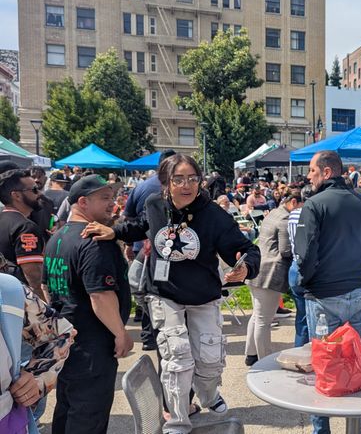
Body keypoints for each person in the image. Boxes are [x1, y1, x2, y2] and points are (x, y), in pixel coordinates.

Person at [84, 154, 260, 434]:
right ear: (166, 183)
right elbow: (139, 226)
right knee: (176, 357)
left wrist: (245, 267)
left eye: (193, 178)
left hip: (203, 295)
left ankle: (209, 393)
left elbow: (247, 249)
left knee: (210, 358)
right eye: (179, 179)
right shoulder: (155, 205)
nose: (187, 185)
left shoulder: (213, 214)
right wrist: (114, 231)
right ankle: (177, 420)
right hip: (164, 293)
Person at [294, 150, 361, 434]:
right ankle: (355, 426)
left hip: (324, 296)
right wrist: (357, 268)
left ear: (326, 172)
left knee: (323, 368)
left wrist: (308, 279)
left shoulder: (314, 205)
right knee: (353, 362)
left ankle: (321, 430)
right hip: (355, 293)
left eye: (312, 171)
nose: (308, 176)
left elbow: (304, 254)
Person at [43, 175, 132, 434]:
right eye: (104, 198)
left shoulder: (56, 238)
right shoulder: (93, 242)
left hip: (67, 340)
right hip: (92, 346)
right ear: (82, 202)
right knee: (87, 416)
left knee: (67, 408)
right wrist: (120, 333)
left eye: (113, 197)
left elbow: (47, 288)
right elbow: (100, 296)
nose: (112, 204)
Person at [123, 149, 176, 350]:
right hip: (155, 250)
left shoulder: (142, 186)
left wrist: (129, 244)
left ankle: (148, 335)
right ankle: (155, 334)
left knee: (145, 290)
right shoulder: (158, 192)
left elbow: (128, 216)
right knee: (156, 291)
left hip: (143, 247)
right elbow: (132, 220)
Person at [244, 189, 299, 365]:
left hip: (257, 269)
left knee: (257, 316)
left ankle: (251, 354)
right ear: (294, 203)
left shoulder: (274, 212)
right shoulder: (284, 219)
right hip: (269, 274)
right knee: (264, 321)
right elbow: (285, 250)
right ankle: (264, 359)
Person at [0, 170, 46, 298]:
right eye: (34, 190)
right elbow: (33, 277)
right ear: (17, 196)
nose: (40, 193)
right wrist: (44, 310)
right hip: (18, 303)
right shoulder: (26, 227)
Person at [287, 185, 314, 347]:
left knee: (301, 318)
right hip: (309, 268)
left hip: (294, 266)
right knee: (315, 318)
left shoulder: (292, 215)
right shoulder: (312, 215)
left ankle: (298, 351)